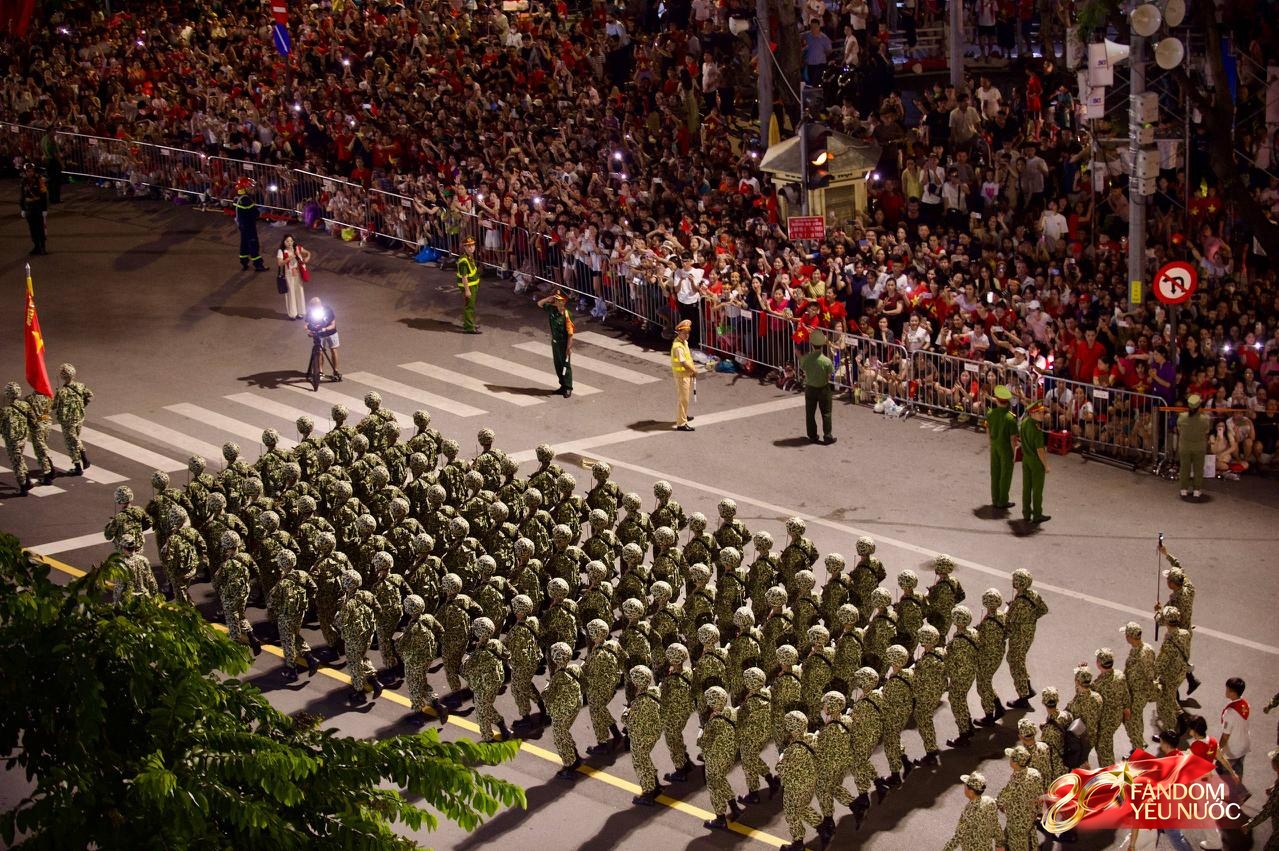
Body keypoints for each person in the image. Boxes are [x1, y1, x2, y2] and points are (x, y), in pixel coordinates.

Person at [942, 771, 1002, 851]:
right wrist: (999, 843)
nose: (964, 786)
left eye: (966, 785)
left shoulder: (968, 812)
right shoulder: (990, 802)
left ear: (971, 792)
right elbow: (995, 824)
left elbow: (958, 837)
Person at [52, 363, 92, 475]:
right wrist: (82, 405)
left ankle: (80, 463)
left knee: (71, 442)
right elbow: (89, 395)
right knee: (75, 439)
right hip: (79, 417)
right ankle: (82, 462)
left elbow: (53, 405)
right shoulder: (80, 386)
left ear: (62, 376)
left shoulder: (62, 392)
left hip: (67, 421)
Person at [537, 290, 575, 397]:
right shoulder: (552, 309)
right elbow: (539, 304)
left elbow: (570, 334)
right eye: (557, 300)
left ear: (564, 302)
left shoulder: (567, 315)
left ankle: (568, 387)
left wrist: (569, 347)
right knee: (558, 365)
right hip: (555, 343)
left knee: (565, 365)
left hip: (563, 344)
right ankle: (562, 386)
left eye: (560, 300)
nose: (558, 302)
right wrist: (548, 299)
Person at [800, 330, 836, 445]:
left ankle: (812, 436)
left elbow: (803, 369)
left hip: (810, 387)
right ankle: (827, 436)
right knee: (826, 412)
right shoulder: (827, 361)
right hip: (823, 388)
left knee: (810, 413)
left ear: (811, 344)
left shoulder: (806, 358)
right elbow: (829, 375)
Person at [1018, 400, 1050, 523]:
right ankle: (1037, 514)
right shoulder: (1037, 430)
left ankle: (1026, 512)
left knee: (1026, 488)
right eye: (1039, 412)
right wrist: (1046, 465)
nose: (1042, 415)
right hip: (1036, 462)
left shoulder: (1024, 423)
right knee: (1037, 489)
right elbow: (1040, 450)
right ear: (1032, 413)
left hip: (1026, 459)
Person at [986, 384, 1017, 509]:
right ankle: (1002, 500)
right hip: (1005, 449)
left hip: (994, 446)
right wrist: (1014, 453)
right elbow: (1013, 439)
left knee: (995, 473)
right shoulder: (1010, 418)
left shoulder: (991, 413)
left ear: (997, 400)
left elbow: (987, 430)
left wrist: (990, 444)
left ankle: (995, 499)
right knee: (1005, 474)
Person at [1, 381, 32, 494]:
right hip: (23, 437)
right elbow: (31, 419)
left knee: (16, 463)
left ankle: (23, 487)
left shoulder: (5, 410)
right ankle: (27, 481)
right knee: (19, 458)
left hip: (12, 440)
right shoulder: (25, 405)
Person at [1178, 394, 1210, 498]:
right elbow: (1207, 431)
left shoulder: (1182, 417)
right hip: (1199, 447)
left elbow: (1179, 429)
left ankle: (1183, 489)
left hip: (1185, 447)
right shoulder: (1205, 419)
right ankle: (1197, 490)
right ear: (1199, 406)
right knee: (1198, 469)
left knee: (1184, 468)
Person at [670, 319, 698, 432]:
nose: (687, 335)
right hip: (682, 376)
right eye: (684, 332)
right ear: (679, 333)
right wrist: (694, 370)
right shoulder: (678, 346)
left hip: (686, 374)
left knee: (685, 398)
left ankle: (684, 416)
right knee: (683, 399)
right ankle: (681, 423)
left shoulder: (684, 342)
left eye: (688, 332)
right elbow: (683, 362)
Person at [233, 177, 266, 272]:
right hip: (249, 226)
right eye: (250, 187)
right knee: (253, 244)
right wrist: (260, 213)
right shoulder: (246, 200)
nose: (252, 189)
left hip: (242, 226)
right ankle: (258, 264)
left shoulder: (237, 198)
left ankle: (244, 261)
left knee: (244, 244)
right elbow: (255, 213)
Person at [305, 297, 341, 381]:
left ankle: (335, 370)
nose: (314, 308)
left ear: (320, 305)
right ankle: (320, 372)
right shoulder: (311, 312)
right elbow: (306, 324)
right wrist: (308, 331)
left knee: (333, 350)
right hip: (319, 334)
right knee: (320, 352)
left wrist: (325, 329)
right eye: (313, 307)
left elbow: (333, 325)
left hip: (331, 333)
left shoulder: (327, 310)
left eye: (316, 306)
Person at [277, 235, 311, 320]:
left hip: (298, 273)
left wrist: (307, 258)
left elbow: (308, 253)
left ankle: (301, 312)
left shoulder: (297, 248)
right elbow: (279, 263)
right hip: (288, 274)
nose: (289, 243)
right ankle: (292, 314)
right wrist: (288, 258)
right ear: (283, 242)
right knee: (290, 293)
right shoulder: (281, 251)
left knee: (299, 291)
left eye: (291, 241)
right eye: (287, 241)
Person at [19, 161, 48, 255]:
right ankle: (36, 246)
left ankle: (43, 247)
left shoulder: (39, 180)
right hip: (29, 207)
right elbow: (22, 196)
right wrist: (23, 208)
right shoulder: (23, 181)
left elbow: (44, 195)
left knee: (40, 227)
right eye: (28, 171)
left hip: (38, 205)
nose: (30, 173)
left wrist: (44, 209)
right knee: (32, 228)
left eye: (31, 171)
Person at [457, 236, 482, 334]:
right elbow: (464, 277)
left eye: (472, 245)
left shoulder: (469, 256)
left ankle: (469, 323)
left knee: (471, 305)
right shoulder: (464, 260)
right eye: (468, 246)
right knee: (469, 306)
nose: (471, 247)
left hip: (473, 285)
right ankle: (469, 327)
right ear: (464, 247)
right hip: (469, 286)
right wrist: (467, 290)